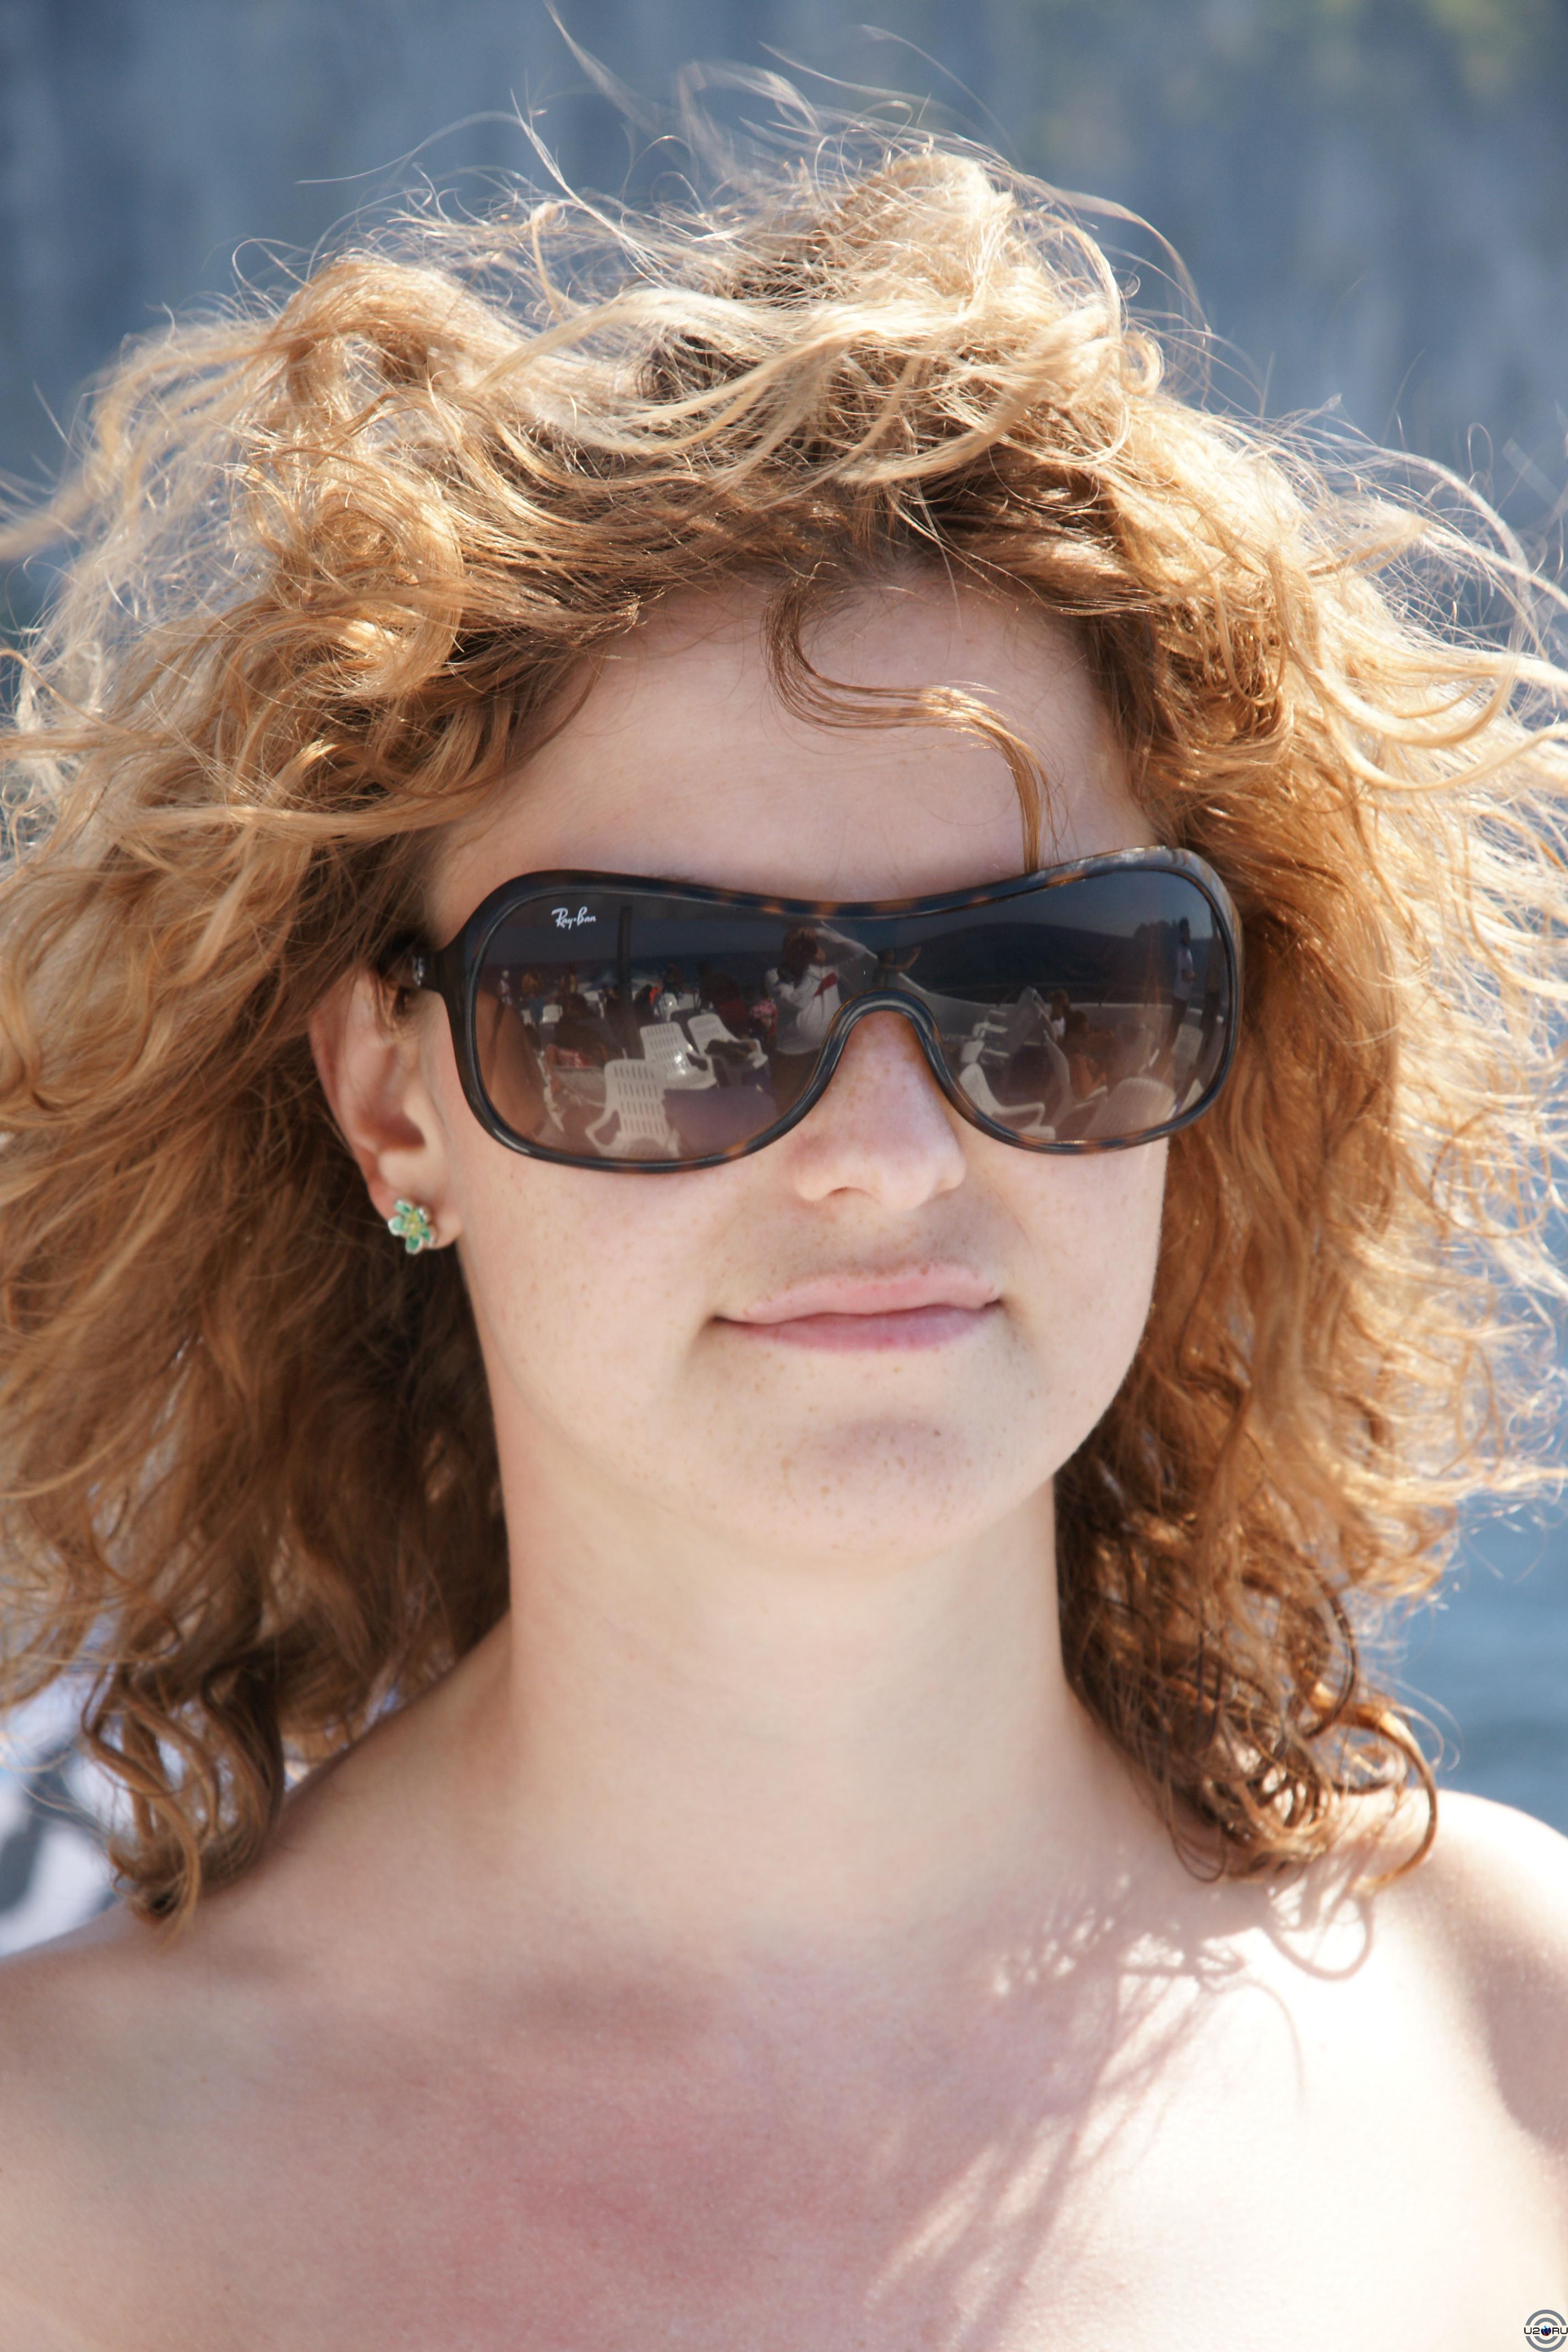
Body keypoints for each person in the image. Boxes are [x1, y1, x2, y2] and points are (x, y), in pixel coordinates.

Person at [0, 117, 1565, 2351]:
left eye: (1049, 988)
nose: (887, 1154)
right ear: (392, 1103)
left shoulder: (1515, 2062)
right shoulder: (56, 2193)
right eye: (664, 1004)